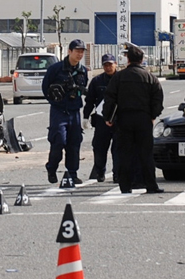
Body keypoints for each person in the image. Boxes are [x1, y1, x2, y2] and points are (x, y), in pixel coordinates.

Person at [102, 44, 165, 194]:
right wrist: (153, 115)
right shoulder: (150, 78)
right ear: (142, 59)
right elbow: (158, 99)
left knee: (125, 153)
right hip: (144, 119)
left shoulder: (119, 77)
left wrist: (108, 117)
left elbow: (110, 98)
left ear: (128, 59)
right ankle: (151, 185)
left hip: (124, 119)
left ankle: (125, 186)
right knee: (146, 153)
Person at [42, 39, 89, 184]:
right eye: (77, 51)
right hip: (59, 110)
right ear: (69, 51)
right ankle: (52, 168)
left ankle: (72, 173)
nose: (80, 54)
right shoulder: (56, 69)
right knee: (58, 141)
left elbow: (83, 88)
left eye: (82, 51)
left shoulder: (83, 71)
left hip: (74, 110)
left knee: (74, 143)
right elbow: (45, 88)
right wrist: (55, 100)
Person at [83, 53, 118, 182]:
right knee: (99, 147)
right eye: (105, 65)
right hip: (101, 119)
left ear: (115, 64)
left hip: (118, 120)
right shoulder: (97, 81)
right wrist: (85, 117)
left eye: (110, 64)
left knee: (118, 148)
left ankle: (117, 174)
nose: (108, 67)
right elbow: (90, 100)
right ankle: (99, 172)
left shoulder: (121, 79)